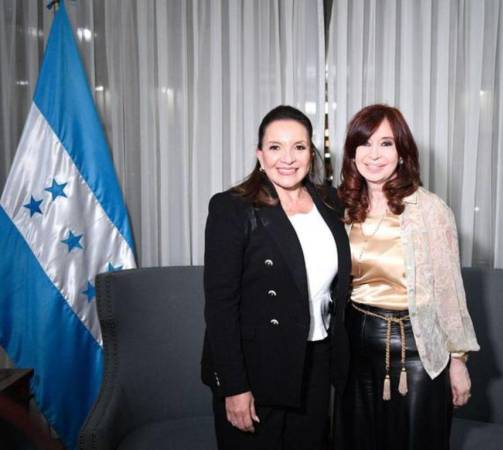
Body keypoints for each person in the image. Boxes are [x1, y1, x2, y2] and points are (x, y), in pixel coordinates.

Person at [201, 105, 351, 450]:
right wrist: (235, 387)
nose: (288, 158)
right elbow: (221, 306)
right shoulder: (233, 208)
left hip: (315, 363)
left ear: (311, 154)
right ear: (259, 154)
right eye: (275, 147)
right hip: (256, 369)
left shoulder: (330, 203)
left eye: (298, 147)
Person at [336, 104, 480, 450]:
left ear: (402, 153)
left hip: (415, 354)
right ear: (352, 154)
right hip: (353, 354)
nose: (374, 154)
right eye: (365, 143)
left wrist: (458, 360)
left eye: (385, 144)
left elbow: (449, 291)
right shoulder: (341, 207)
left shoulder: (429, 209)